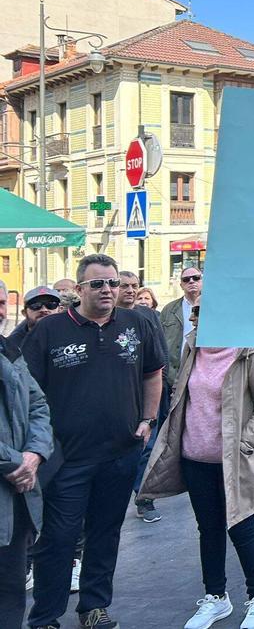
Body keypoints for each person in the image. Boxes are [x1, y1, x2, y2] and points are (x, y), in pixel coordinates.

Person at [24, 254, 165, 629]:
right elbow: (29, 392)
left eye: (113, 283)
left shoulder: (136, 323)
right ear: (80, 289)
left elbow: (154, 373)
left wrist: (148, 419)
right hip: (66, 456)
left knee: (105, 534)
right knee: (58, 538)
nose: (108, 290)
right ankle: (45, 617)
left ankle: (94, 608)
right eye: (98, 284)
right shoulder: (50, 331)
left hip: (120, 453)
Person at [141, 303, 254, 629]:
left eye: (201, 312)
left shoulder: (250, 351)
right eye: (195, 312)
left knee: (242, 528)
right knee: (209, 529)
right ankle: (216, 597)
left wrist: (244, 443)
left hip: (234, 462)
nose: (194, 317)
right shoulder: (193, 347)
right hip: (194, 458)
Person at [0, 301, 53, 628]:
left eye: (1, 302)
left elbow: (38, 404)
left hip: (17, 499)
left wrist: (35, 454)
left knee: (11, 591)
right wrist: (17, 462)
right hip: (15, 479)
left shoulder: (8, 348)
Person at [118, 270, 172, 524]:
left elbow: (161, 354)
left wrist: (165, 385)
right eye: (124, 285)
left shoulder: (148, 316)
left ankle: (143, 497)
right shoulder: (105, 318)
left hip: (149, 392)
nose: (129, 290)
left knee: (148, 446)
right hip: (118, 395)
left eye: (134, 286)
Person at [162, 266, 204, 400]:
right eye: (186, 279)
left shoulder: (212, 305)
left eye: (196, 278)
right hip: (174, 374)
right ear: (181, 285)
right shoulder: (170, 309)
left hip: (203, 372)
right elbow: (160, 341)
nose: (191, 281)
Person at [6, 286, 62, 357]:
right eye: (36, 305)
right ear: (24, 313)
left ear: (60, 310)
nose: (44, 309)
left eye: (51, 305)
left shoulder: (72, 335)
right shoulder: (11, 345)